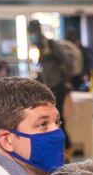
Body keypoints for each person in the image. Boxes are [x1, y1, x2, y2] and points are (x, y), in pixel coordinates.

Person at [27, 20, 72, 152]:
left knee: (57, 117)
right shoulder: (39, 47)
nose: (31, 36)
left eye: (32, 32)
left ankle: (66, 147)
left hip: (57, 86)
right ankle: (57, 146)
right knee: (48, 117)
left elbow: (67, 62)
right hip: (47, 88)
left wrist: (64, 80)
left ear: (37, 31)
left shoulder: (50, 44)